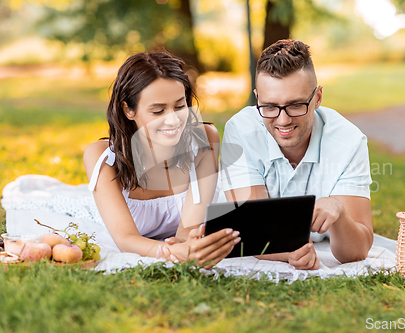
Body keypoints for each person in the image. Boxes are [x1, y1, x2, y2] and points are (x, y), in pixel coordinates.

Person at [220, 39, 373, 269]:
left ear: (318, 98)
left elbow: (356, 252)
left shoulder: (349, 141)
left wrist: (340, 214)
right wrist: (287, 251)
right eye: (270, 107)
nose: (283, 121)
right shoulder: (241, 131)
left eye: (295, 105)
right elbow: (251, 229)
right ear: (257, 98)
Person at [83, 50, 240, 268]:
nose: (173, 120)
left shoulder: (204, 139)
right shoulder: (102, 157)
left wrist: (187, 247)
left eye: (179, 106)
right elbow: (125, 239)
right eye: (158, 111)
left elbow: (187, 230)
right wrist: (173, 252)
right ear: (128, 110)